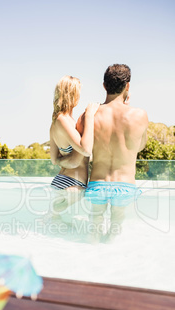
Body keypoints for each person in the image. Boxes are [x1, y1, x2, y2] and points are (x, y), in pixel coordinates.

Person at [75, 64, 148, 242]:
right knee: (114, 232)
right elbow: (139, 146)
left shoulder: (89, 115)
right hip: (125, 185)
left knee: (94, 230)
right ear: (127, 86)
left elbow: (83, 147)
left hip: (97, 183)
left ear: (104, 85)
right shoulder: (140, 115)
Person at [49, 75, 99, 218]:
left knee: (56, 223)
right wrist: (89, 115)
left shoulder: (56, 122)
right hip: (72, 183)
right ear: (72, 94)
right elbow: (85, 149)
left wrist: (65, 161)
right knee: (52, 216)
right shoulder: (62, 120)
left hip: (65, 180)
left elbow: (54, 160)